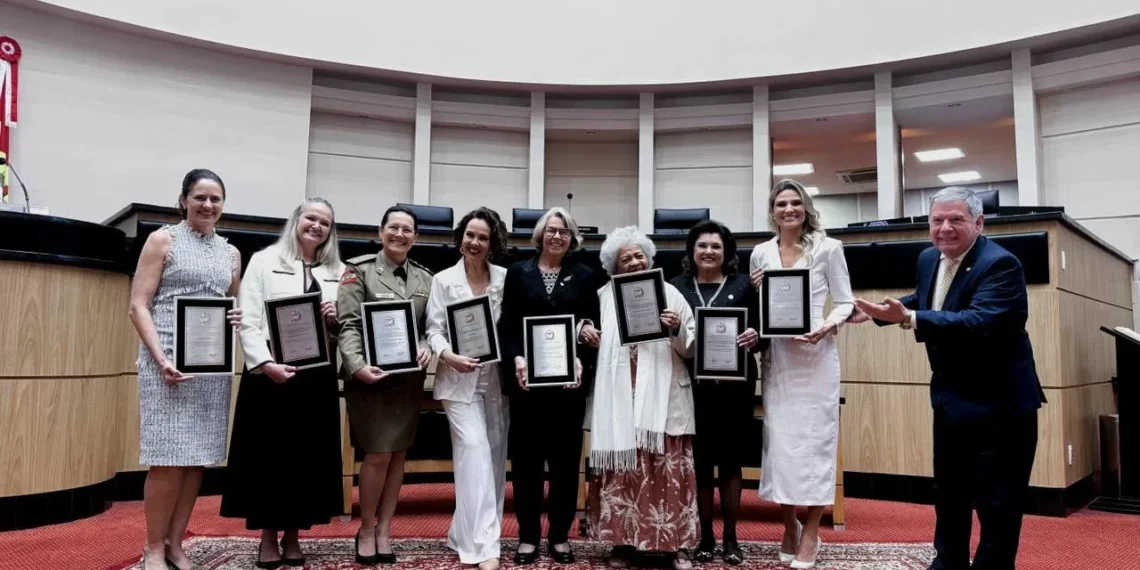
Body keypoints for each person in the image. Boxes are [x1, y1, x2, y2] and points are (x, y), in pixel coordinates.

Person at [852, 186, 1044, 570]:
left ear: (978, 221)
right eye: (937, 220)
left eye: (955, 219)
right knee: (950, 495)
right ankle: (947, 564)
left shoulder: (1000, 264)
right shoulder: (928, 258)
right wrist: (881, 311)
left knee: (998, 505)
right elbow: (928, 297)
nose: (945, 228)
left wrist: (908, 318)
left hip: (1000, 406)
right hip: (951, 400)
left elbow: (979, 321)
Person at [127, 168, 243, 570]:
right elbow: (138, 305)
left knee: (197, 458)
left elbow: (232, 304)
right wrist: (160, 358)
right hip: (166, 365)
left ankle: (177, 544)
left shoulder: (230, 253)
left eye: (215, 199)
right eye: (200, 198)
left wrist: (237, 317)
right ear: (183, 201)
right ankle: (153, 547)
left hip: (209, 369)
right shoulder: (163, 240)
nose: (208, 205)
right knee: (167, 458)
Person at [220, 197, 345, 568]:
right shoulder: (263, 260)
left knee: (306, 458)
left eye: (325, 222)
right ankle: (268, 536)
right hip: (270, 376)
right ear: (296, 220)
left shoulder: (339, 270)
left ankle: (294, 534)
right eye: (311, 218)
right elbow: (249, 320)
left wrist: (335, 318)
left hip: (316, 377)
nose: (317, 226)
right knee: (269, 458)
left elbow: (345, 329)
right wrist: (265, 363)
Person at [748, 179, 854, 569]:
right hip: (779, 360)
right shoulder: (760, 253)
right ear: (772, 211)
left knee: (815, 445)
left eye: (795, 203)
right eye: (781, 204)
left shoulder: (829, 248)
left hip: (815, 356)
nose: (788, 209)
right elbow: (758, 314)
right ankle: (788, 523)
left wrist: (827, 326)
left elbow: (845, 302)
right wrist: (755, 290)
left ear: (806, 208)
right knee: (781, 446)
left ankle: (811, 530)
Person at [586, 225, 699, 570]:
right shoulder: (603, 296)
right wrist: (584, 331)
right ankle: (621, 544)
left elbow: (692, 348)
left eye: (639, 256)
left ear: (649, 259)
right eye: (626, 258)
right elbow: (586, 331)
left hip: (664, 400)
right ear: (614, 266)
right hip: (619, 399)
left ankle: (675, 545)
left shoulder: (671, 294)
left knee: (667, 469)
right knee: (622, 470)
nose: (634, 262)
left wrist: (677, 328)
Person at [497, 207, 601, 565]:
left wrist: (582, 361)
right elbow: (507, 328)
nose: (558, 237)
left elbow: (592, 326)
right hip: (526, 385)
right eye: (552, 230)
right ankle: (527, 537)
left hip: (568, 388)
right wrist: (517, 360)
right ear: (540, 235)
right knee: (525, 463)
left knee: (565, 465)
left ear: (572, 239)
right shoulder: (517, 273)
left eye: (565, 232)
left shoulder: (585, 275)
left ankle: (559, 536)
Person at [338, 205, 433, 565]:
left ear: (416, 237)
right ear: (381, 231)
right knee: (377, 454)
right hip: (371, 379)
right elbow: (348, 325)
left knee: (397, 455)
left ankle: (384, 529)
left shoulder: (425, 278)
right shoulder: (358, 271)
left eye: (407, 230)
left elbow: (427, 328)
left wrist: (425, 345)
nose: (400, 234)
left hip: (407, 381)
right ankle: (365, 527)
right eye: (393, 227)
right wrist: (357, 366)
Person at [669, 220, 762, 566]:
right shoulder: (677, 287)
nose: (709, 251)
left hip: (737, 386)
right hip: (694, 387)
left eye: (716, 246)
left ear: (727, 253)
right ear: (691, 252)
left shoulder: (743, 285)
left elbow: (764, 328)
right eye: (702, 246)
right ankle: (705, 538)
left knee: (732, 462)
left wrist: (756, 334)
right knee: (702, 464)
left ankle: (732, 539)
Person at [424, 208, 510, 570]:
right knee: (473, 452)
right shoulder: (443, 280)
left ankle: (461, 533)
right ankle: (483, 546)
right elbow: (433, 328)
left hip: (497, 382)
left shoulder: (506, 278)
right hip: (458, 382)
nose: (474, 243)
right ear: (461, 237)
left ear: (493, 243)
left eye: (483, 237)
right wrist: (447, 355)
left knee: (490, 463)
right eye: (470, 235)